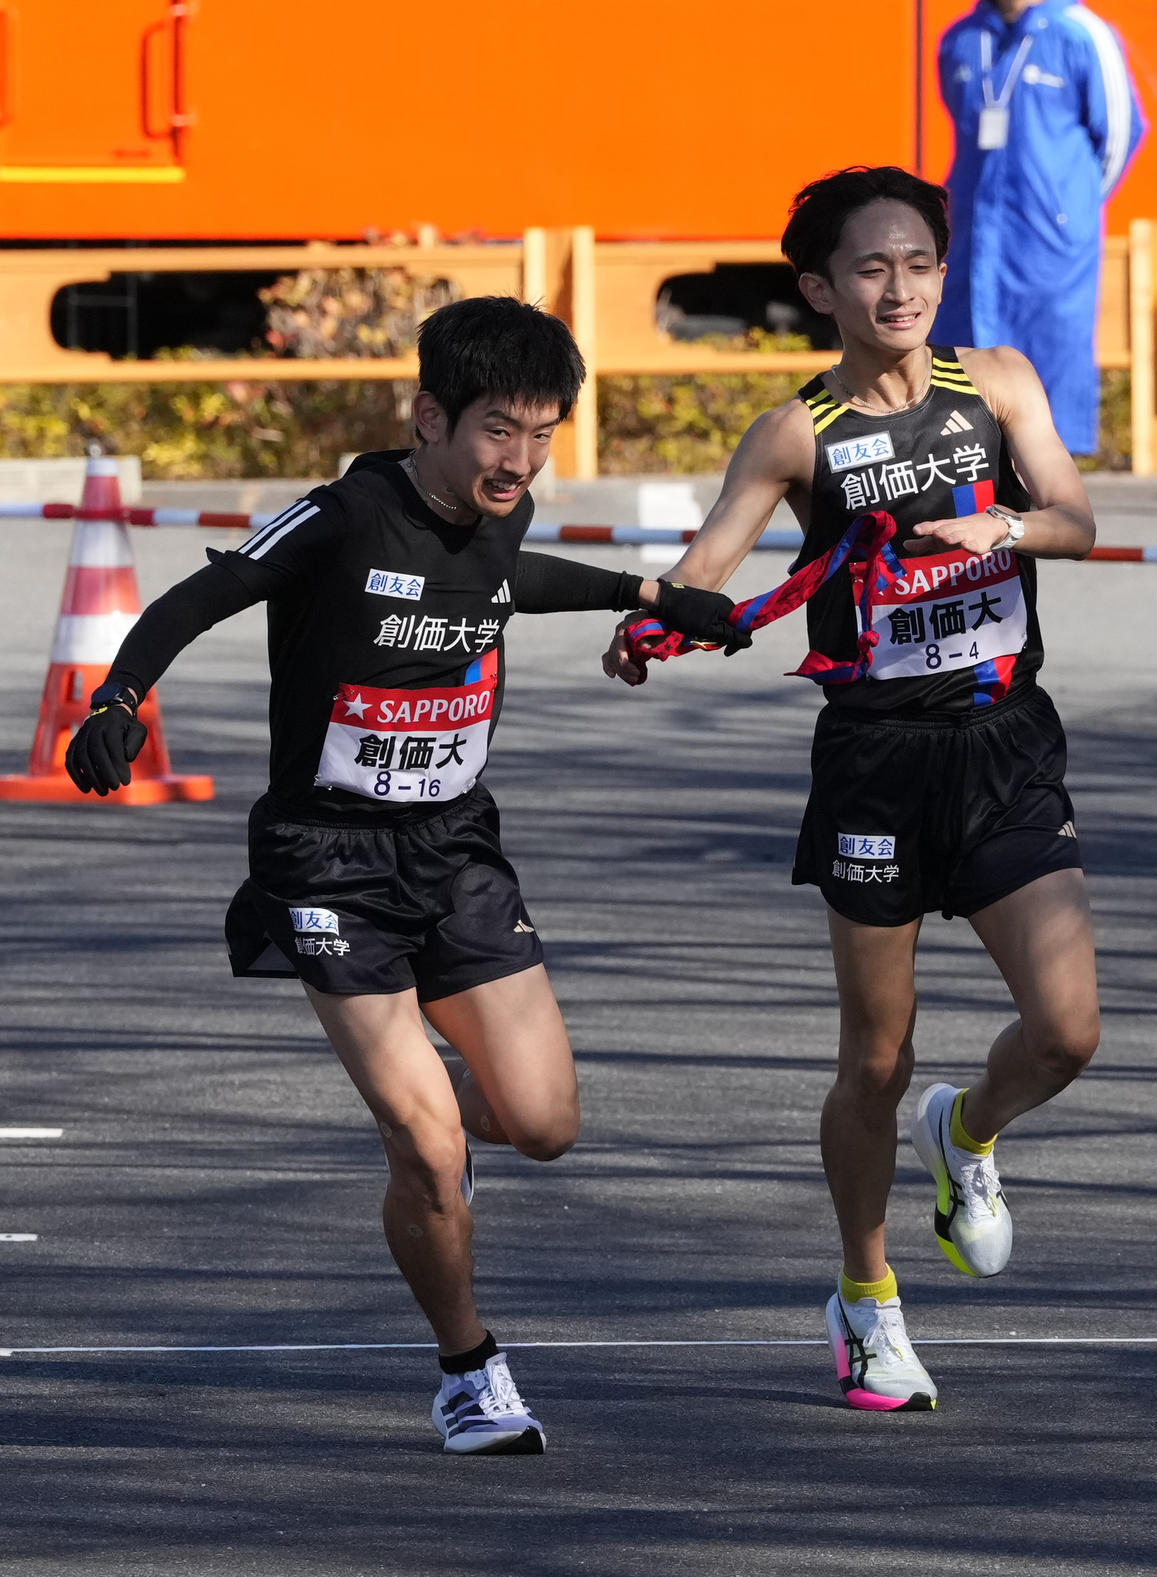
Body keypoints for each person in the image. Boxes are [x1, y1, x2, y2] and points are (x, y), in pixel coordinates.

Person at [64, 295, 744, 1455]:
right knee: (427, 1145)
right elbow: (199, 594)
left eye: (541, 435)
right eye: (496, 430)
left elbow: (502, 579)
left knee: (543, 1124)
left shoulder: (500, 510)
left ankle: (436, 1111)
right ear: (429, 415)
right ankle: (469, 1370)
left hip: (456, 848)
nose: (519, 460)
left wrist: (650, 594)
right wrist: (119, 697)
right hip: (325, 857)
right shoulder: (341, 516)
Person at [604, 166, 1101, 1412]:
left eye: (919, 263)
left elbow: (1078, 519)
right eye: (871, 268)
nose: (900, 288)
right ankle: (867, 1296)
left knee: (1065, 1030)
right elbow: (715, 561)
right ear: (820, 287)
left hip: (1003, 742)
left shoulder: (997, 386)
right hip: (875, 764)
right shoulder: (797, 432)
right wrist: (656, 621)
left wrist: (1010, 533)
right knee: (874, 1056)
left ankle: (969, 1131)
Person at [932, 0, 1145, 455]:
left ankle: (1052, 483)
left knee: (1048, 343)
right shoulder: (960, 39)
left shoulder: (1080, 33)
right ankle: (970, 463)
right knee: (964, 341)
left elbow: (1123, 133)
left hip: (1049, 236)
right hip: (974, 231)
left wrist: (1072, 208)